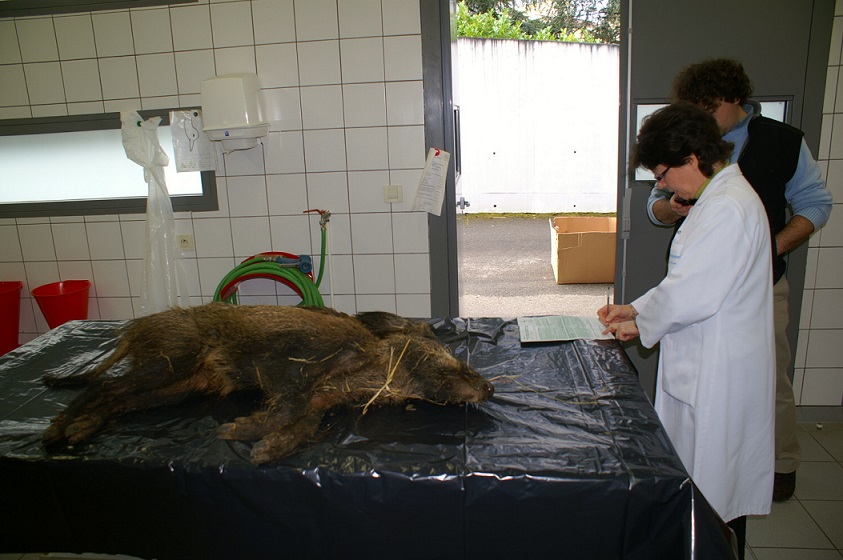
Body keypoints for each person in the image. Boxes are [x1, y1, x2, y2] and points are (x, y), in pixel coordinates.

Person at [647, 59, 833, 502]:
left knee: (766, 382)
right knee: (716, 397)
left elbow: (815, 205)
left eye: (710, 108)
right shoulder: (693, 157)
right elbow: (658, 207)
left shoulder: (779, 144)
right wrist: (673, 205)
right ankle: (715, 478)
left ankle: (778, 465)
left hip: (760, 283)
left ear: (736, 100)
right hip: (703, 279)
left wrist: (764, 251)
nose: (704, 118)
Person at [600, 102, 775, 559]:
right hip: (703, 359)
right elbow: (684, 281)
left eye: (662, 172)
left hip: (719, 373)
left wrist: (638, 323)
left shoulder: (728, 209)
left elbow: (693, 293)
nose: (660, 184)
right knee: (700, 486)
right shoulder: (713, 200)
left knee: (716, 494)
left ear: (693, 158)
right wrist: (633, 309)